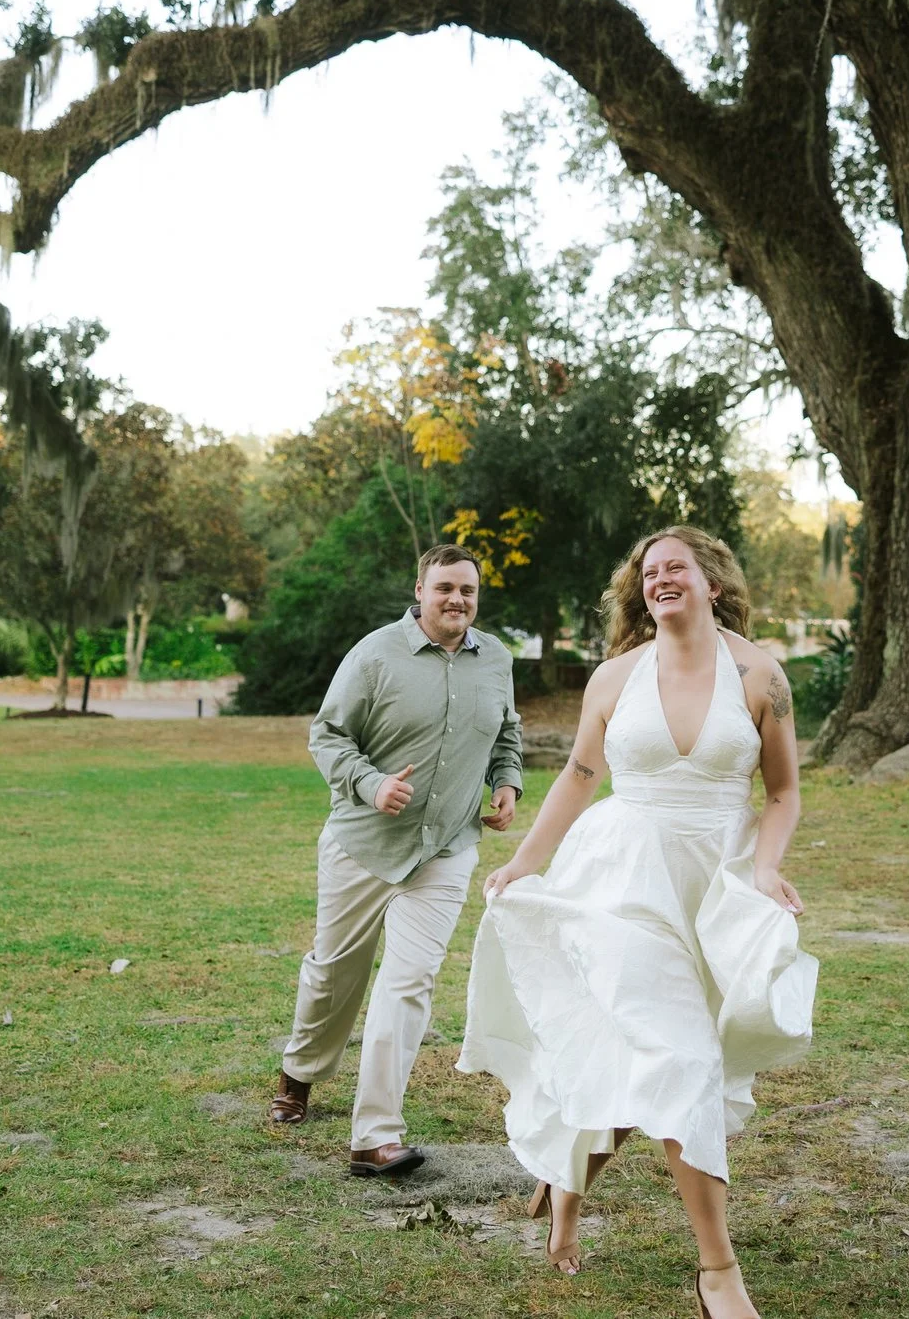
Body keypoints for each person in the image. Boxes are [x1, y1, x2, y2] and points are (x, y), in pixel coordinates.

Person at [459, 526, 815, 1319]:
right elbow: (582, 774)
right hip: (622, 882)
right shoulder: (616, 676)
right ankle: (717, 1271)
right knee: (679, 1056)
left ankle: (566, 1177)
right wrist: (525, 864)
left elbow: (784, 792)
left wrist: (763, 866)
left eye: (676, 568)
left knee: (649, 1057)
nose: (661, 580)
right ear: (640, 590)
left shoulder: (761, 674)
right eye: (650, 572)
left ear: (711, 581)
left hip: (711, 887)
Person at [269, 543, 524, 1179]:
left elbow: (506, 732)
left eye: (467, 590)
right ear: (419, 590)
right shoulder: (375, 653)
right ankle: (300, 1070)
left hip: (446, 848)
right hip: (364, 843)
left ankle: (375, 1134)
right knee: (336, 972)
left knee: (408, 981)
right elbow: (326, 734)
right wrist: (371, 783)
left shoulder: (494, 658)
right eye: (444, 588)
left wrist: (506, 783)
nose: (457, 600)